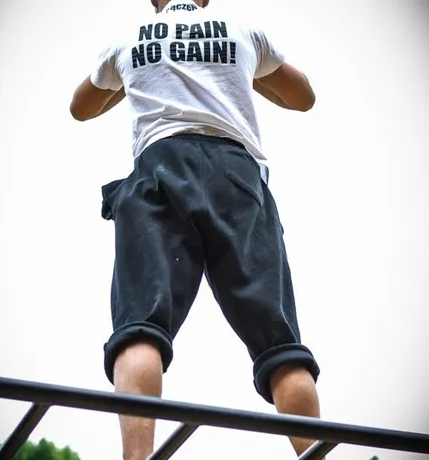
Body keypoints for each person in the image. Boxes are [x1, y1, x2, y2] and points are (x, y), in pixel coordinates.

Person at [70, 0, 322, 459]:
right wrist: (240, 73)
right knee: (279, 341)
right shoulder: (244, 31)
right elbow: (303, 97)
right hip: (236, 177)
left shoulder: (127, 41)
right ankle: (314, 451)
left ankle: (136, 457)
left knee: (140, 326)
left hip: (158, 171)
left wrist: (134, 79)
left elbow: (80, 108)